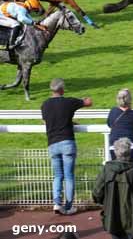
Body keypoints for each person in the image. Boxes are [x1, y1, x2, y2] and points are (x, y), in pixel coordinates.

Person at [40, 78, 92, 215]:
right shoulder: (69, 102)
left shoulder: (44, 105)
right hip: (67, 142)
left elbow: (47, 121)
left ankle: (57, 203)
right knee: (69, 176)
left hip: (52, 143)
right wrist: (84, 100)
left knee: (57, 175)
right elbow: (88, 102)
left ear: (52, 89)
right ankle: (68, 206)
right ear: (62, 90)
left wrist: (70, 121)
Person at [92, 137, 133, 239]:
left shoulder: (107, 169)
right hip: (131, 216)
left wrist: (105, 203)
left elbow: (97, 192)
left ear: (115, 152)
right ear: (129, 152)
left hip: (111, 214)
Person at [107, 89, 133, 165]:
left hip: (115, 147)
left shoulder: (113, 111)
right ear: (130, 100)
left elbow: (109, 124)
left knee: (119, 174)